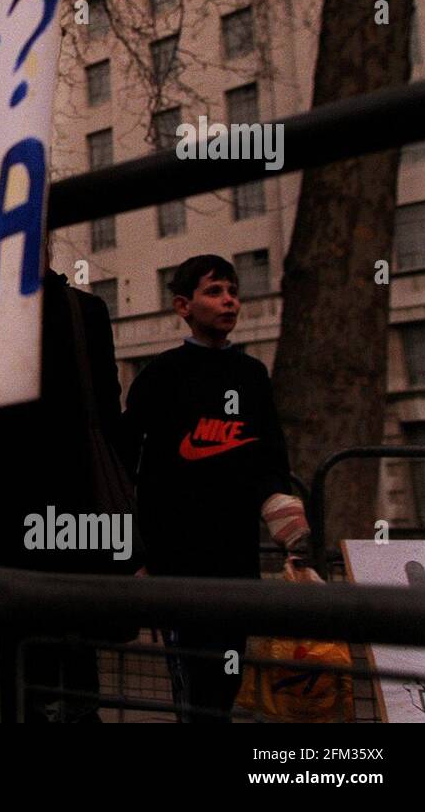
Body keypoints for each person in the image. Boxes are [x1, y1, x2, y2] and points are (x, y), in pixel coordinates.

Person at [121, 253, 310, 722]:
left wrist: (290, 525)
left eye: (232, 291)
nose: (228, 301)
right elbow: (123, 463)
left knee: (227, 678)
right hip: (177, 563)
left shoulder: (252, 376)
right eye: (214, 291)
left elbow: (271, 460)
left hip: (237, 558)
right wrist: (134, 555)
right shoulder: (160, 375)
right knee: (195, 685)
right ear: (183, 305)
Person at [0, 267, 136, 723]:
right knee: (77, 657)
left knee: (14, 664)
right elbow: (109, 419)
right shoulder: (83, 310)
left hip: (1, 508)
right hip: (75, 507)